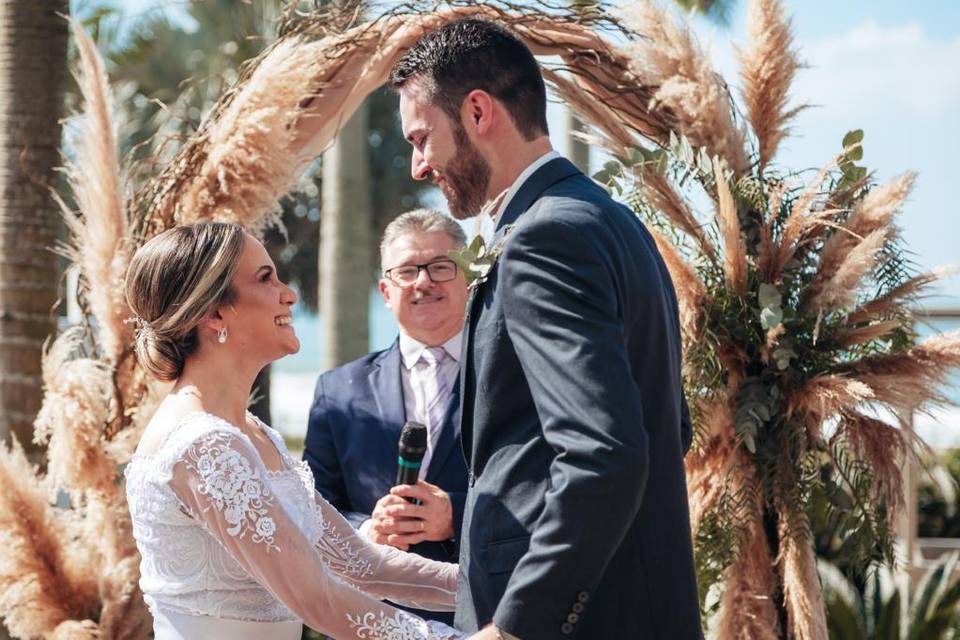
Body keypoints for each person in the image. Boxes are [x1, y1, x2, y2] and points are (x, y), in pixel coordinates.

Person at [389, 18, 703, 640]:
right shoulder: (613, 222)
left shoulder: (542, 239)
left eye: (422, 138)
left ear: (478, 111)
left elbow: (604, 453)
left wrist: (516, 623)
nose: (419, 166)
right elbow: (670, 426)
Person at [122, 221, 464, 640]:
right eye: (266, 278)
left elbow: (362, 565)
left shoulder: (255, 433)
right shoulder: (202, 445)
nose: (289, 293)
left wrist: (507, 590)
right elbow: (316, 597)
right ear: (213, 314)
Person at [304, 209, 470, 625]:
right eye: (408, 270)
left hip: (490, 614)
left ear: (470, 277)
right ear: (384, 290)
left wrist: (457, 515)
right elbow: (313, 507)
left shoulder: (516, 375)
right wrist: (366, 533)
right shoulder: (337, 390)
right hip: (377, 619)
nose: (423, 281)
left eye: (440, 266)